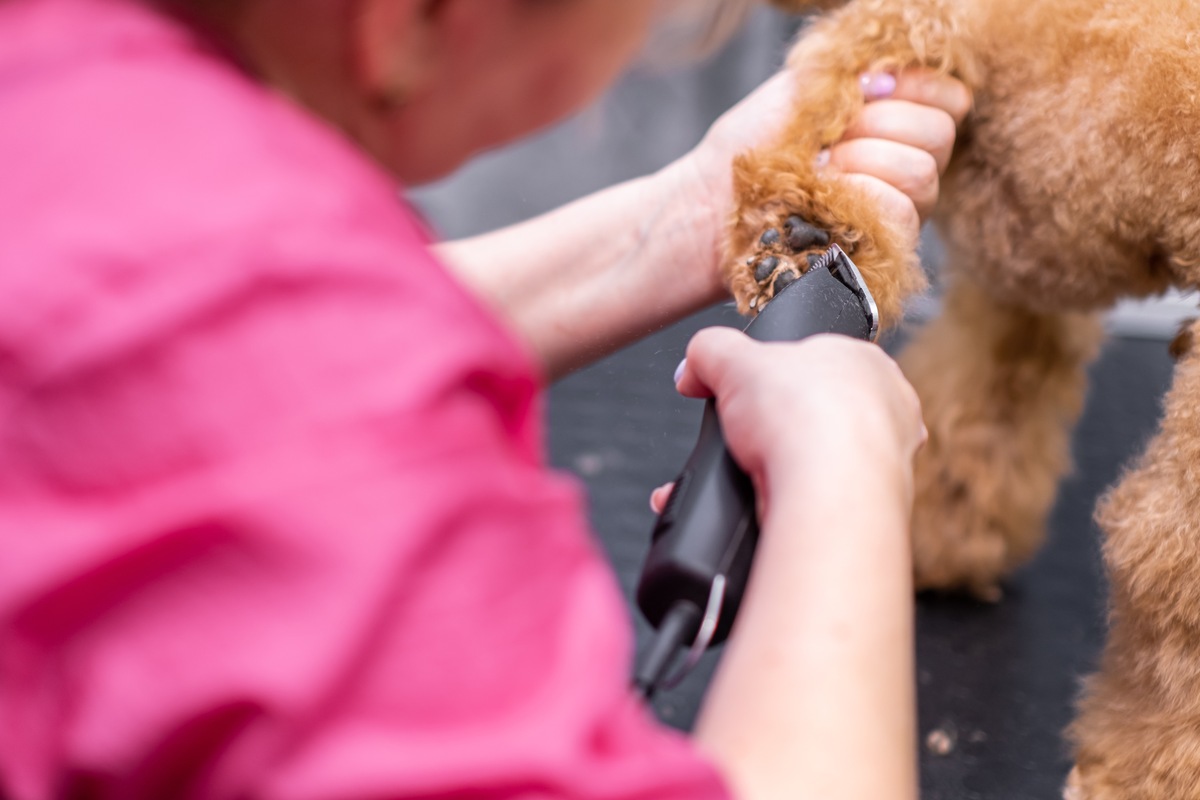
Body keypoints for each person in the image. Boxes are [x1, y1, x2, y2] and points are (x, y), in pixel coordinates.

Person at [0, 0, 969, 798]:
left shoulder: (55, 76)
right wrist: (843, 468)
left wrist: (686, 221)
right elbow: (278, 376)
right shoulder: (317, 431)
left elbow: (195, 349)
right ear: (405, 26)